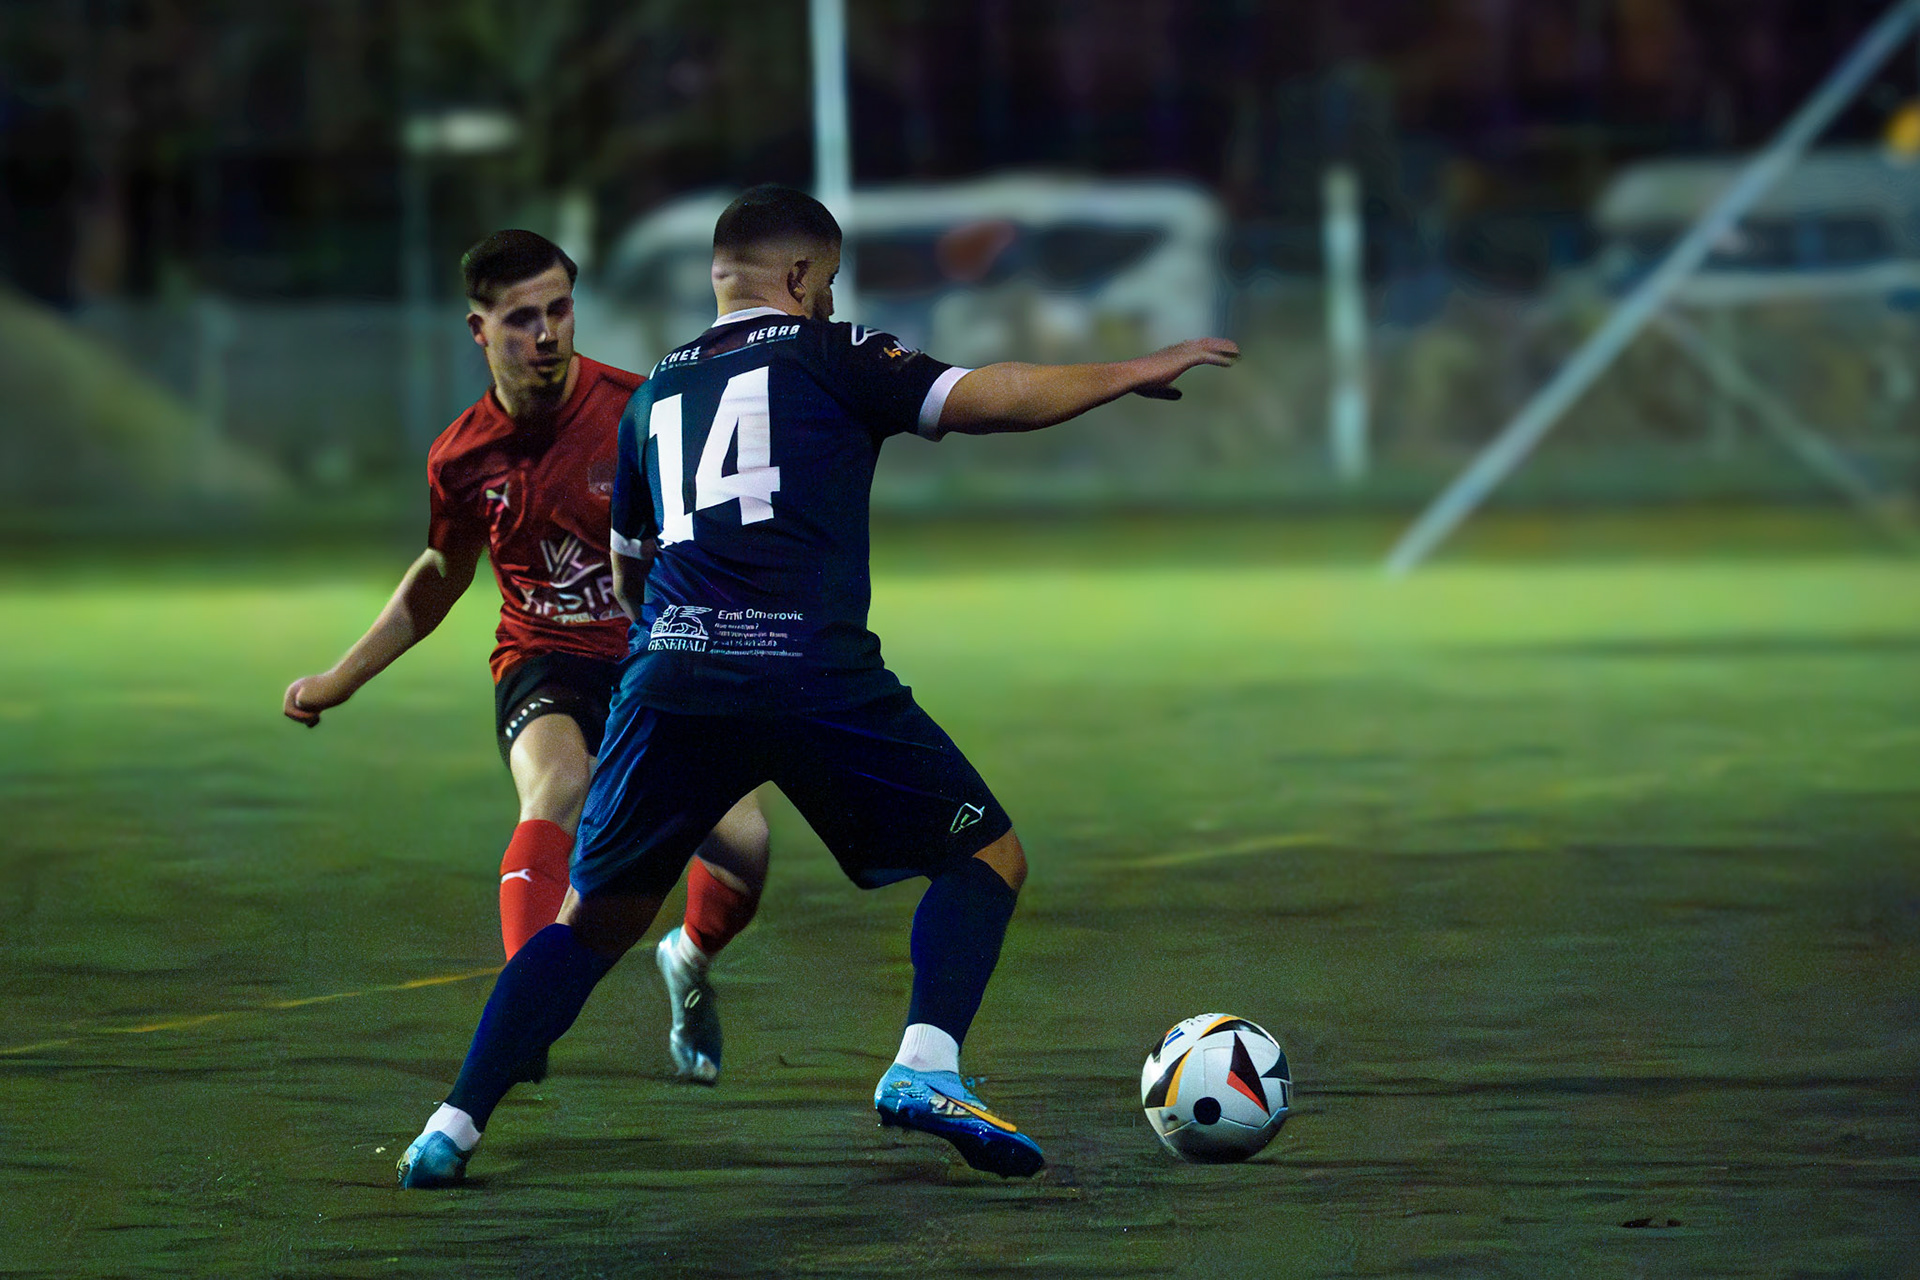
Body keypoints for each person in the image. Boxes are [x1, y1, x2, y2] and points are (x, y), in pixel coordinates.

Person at [395, 186, 1238, 1188]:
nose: (831, 302)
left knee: (591, 925)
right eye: (827, 284)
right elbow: (985, 398)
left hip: (672, 678)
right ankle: (926, 1064)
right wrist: (1131, 369)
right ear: (799, 278)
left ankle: (450, 1125)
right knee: (986, 857)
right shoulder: (833, 355)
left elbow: (630, 571)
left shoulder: (654, 395)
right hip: (813, 673)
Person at [282, 229, 766, 1084]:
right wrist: (339, 678)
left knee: (748, 848)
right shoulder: (462, 456)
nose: (546, 334)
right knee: (560, 785)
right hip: (541, 661)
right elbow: (439, 576)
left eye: (559, 310)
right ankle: (525, 1005)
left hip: (651, 661)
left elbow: (712, 543)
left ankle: (688, 958)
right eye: (520, 320)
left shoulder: (641, 410)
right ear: (480, 330)